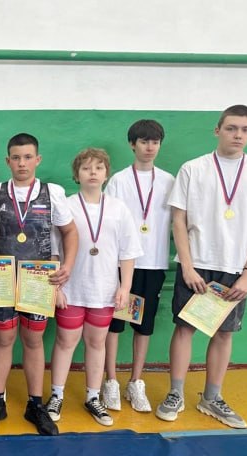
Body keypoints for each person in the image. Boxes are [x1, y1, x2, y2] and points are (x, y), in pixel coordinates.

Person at [156, 105, 247, 429]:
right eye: (231, 128)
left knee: (224, 333)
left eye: (245, 129)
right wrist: (187, 266)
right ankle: (175, 393)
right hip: (197, 264)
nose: (238, 135)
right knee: (184, 328)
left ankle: (211, 397)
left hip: (235, 268)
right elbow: (179, 220)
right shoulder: (193, 169)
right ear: (217, 130)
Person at [0, 133, 78, 436]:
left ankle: (35, 404)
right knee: (3, 338)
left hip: (38, 278)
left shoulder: (52, 193)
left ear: (37, 159)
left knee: (33, 340)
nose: (22, 163)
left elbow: (70, 232)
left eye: (28, 157)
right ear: (8, 161)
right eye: (16, 158)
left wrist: (67, 266)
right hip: (0, 277)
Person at [47, 148, 142, 426]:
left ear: (106, 174)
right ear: (76, 175)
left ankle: (93, 397)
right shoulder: (66, 206)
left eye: (99, 168)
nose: (92, 173)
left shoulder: (118, 208)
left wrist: (125, 287)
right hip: (72, 289)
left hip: (104, 290)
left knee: (97, 342)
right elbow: (54, 250)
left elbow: (128, 253)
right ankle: (56, 395)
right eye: (86, 168)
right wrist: (56, 288)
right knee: (65, 341)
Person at [102, 120, 174, 412]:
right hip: (122, 264)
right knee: (116, 324)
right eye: (144, 141)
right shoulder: (119, 181)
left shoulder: (169, 181)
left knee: (144, 326)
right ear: (132, 144)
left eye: (154, 142)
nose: (149, 147)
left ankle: (135, 381)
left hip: (154, 263)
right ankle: (110, 381)